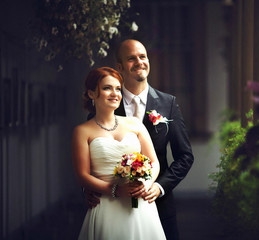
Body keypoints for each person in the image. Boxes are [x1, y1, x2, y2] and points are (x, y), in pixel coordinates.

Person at [86, 39, 194, 240]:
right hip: (113, 206)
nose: (139, 62)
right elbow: (92, 153)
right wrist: (89, 188)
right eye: (131, 58)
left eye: (142, 56)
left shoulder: (168, 103)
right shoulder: (104, 104)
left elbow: (185, 156)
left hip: (157, 204)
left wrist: (159, 187)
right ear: (120, 67)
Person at [72, 66, 166, 240]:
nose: (115, 93)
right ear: (92, 93)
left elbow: (154, 162)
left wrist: (146, 184)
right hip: (106, 204)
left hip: (140, 205)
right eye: (107, 88)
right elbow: (82, 176)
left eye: (118, 88)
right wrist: (115, 190)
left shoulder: (135, 124)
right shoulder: (82, 131)